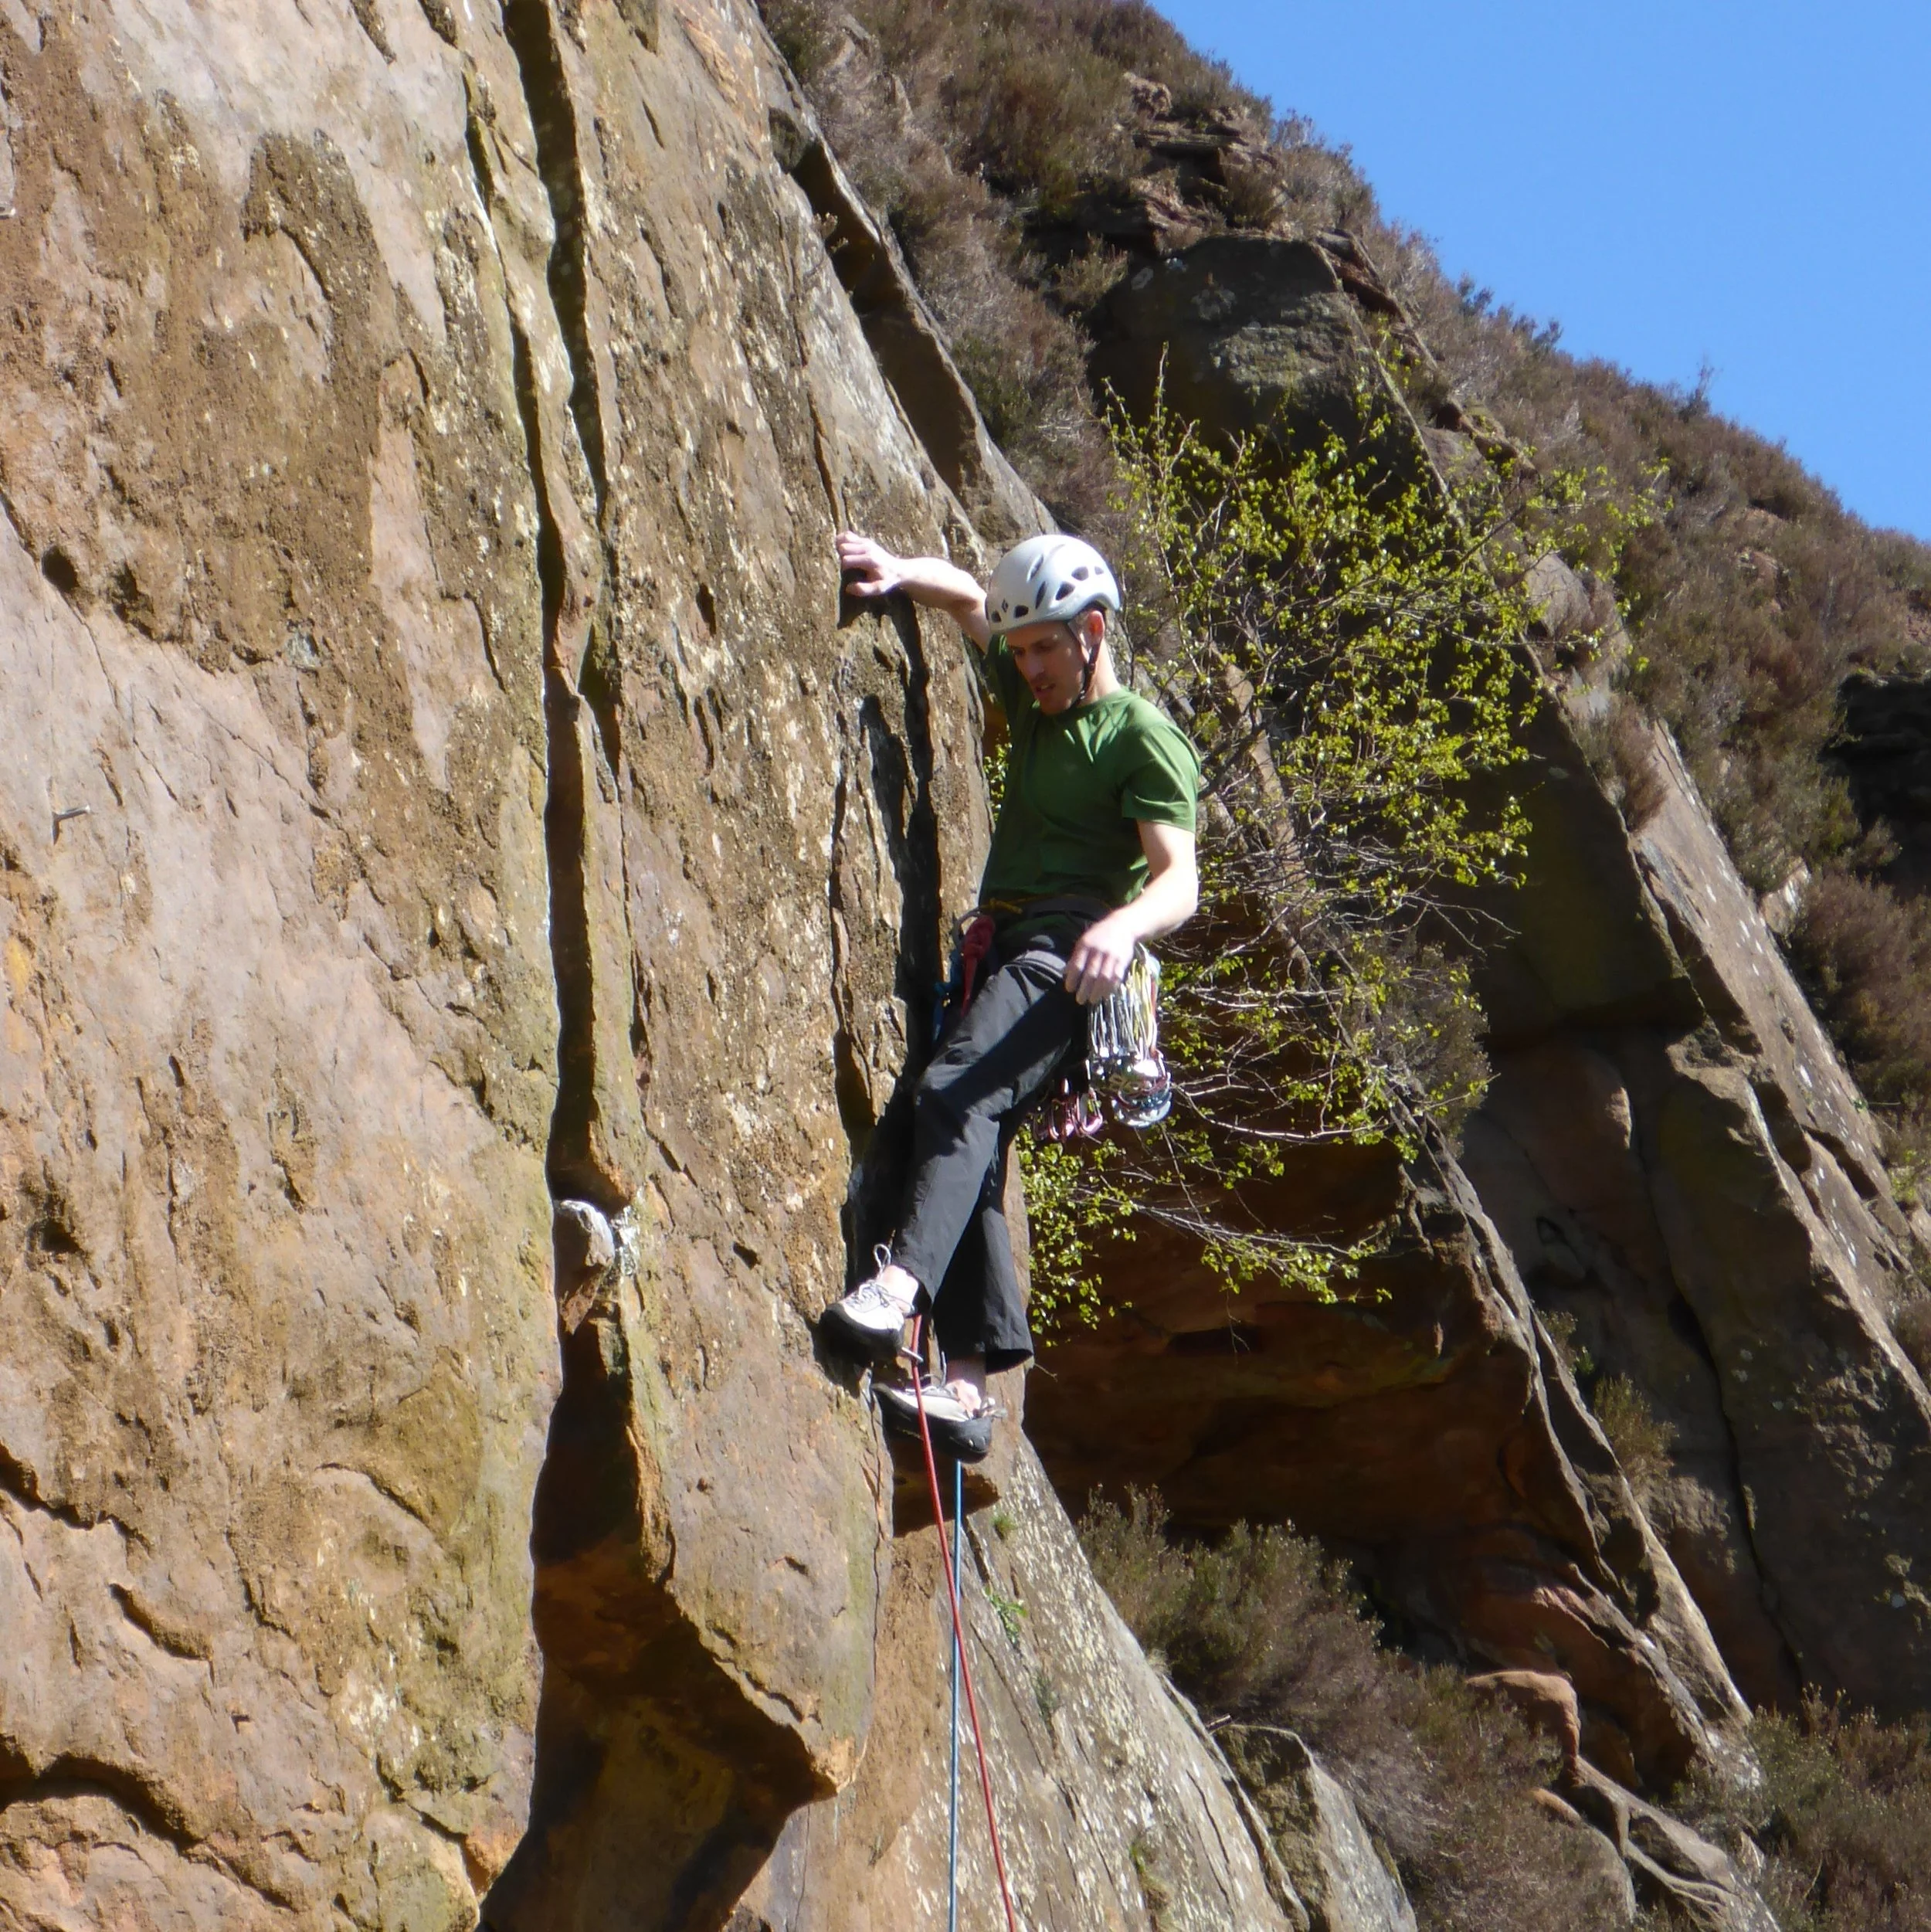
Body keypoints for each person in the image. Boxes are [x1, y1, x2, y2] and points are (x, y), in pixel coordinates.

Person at [820, 529, 1202, 1458]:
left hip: (1069, 959)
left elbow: (1180, 877)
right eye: (1020, 649)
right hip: (1008, 954)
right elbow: (967, 605)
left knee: (954, 1089)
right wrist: (903, 570)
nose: (1027, 664)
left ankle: (898, 1285)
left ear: (1094, 634)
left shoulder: (1138, 735)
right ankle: (963, 1388)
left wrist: (1120, 927)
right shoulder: (1038, 709)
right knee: (968, 1148)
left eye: (1045, 648)